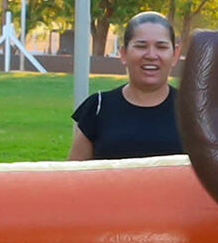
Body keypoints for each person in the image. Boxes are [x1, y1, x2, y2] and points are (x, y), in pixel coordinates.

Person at [69, 12, 184, 161]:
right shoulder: (98, 108)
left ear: (175, 55)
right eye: (141, 46)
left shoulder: (194, 111)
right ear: (123, 53)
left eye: (161, 47)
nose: (151, 55)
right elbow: (75, 176)